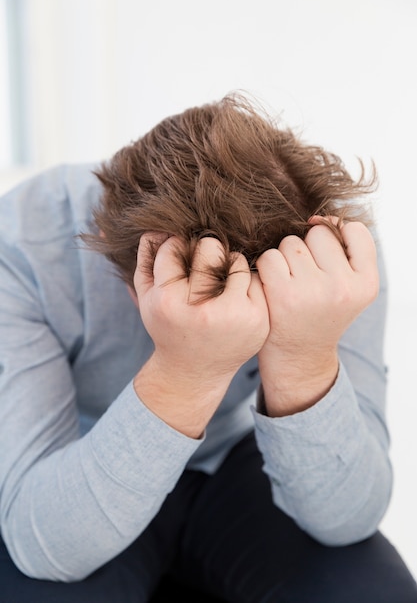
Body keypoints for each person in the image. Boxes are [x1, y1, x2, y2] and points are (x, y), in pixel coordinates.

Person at [0, 93, 416, 603]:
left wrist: (304, 358)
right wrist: (186, 371)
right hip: (82, 450)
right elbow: (43, 547)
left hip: (238, 458)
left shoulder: (332, 255)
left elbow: (349, 518)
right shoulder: (20, 244)